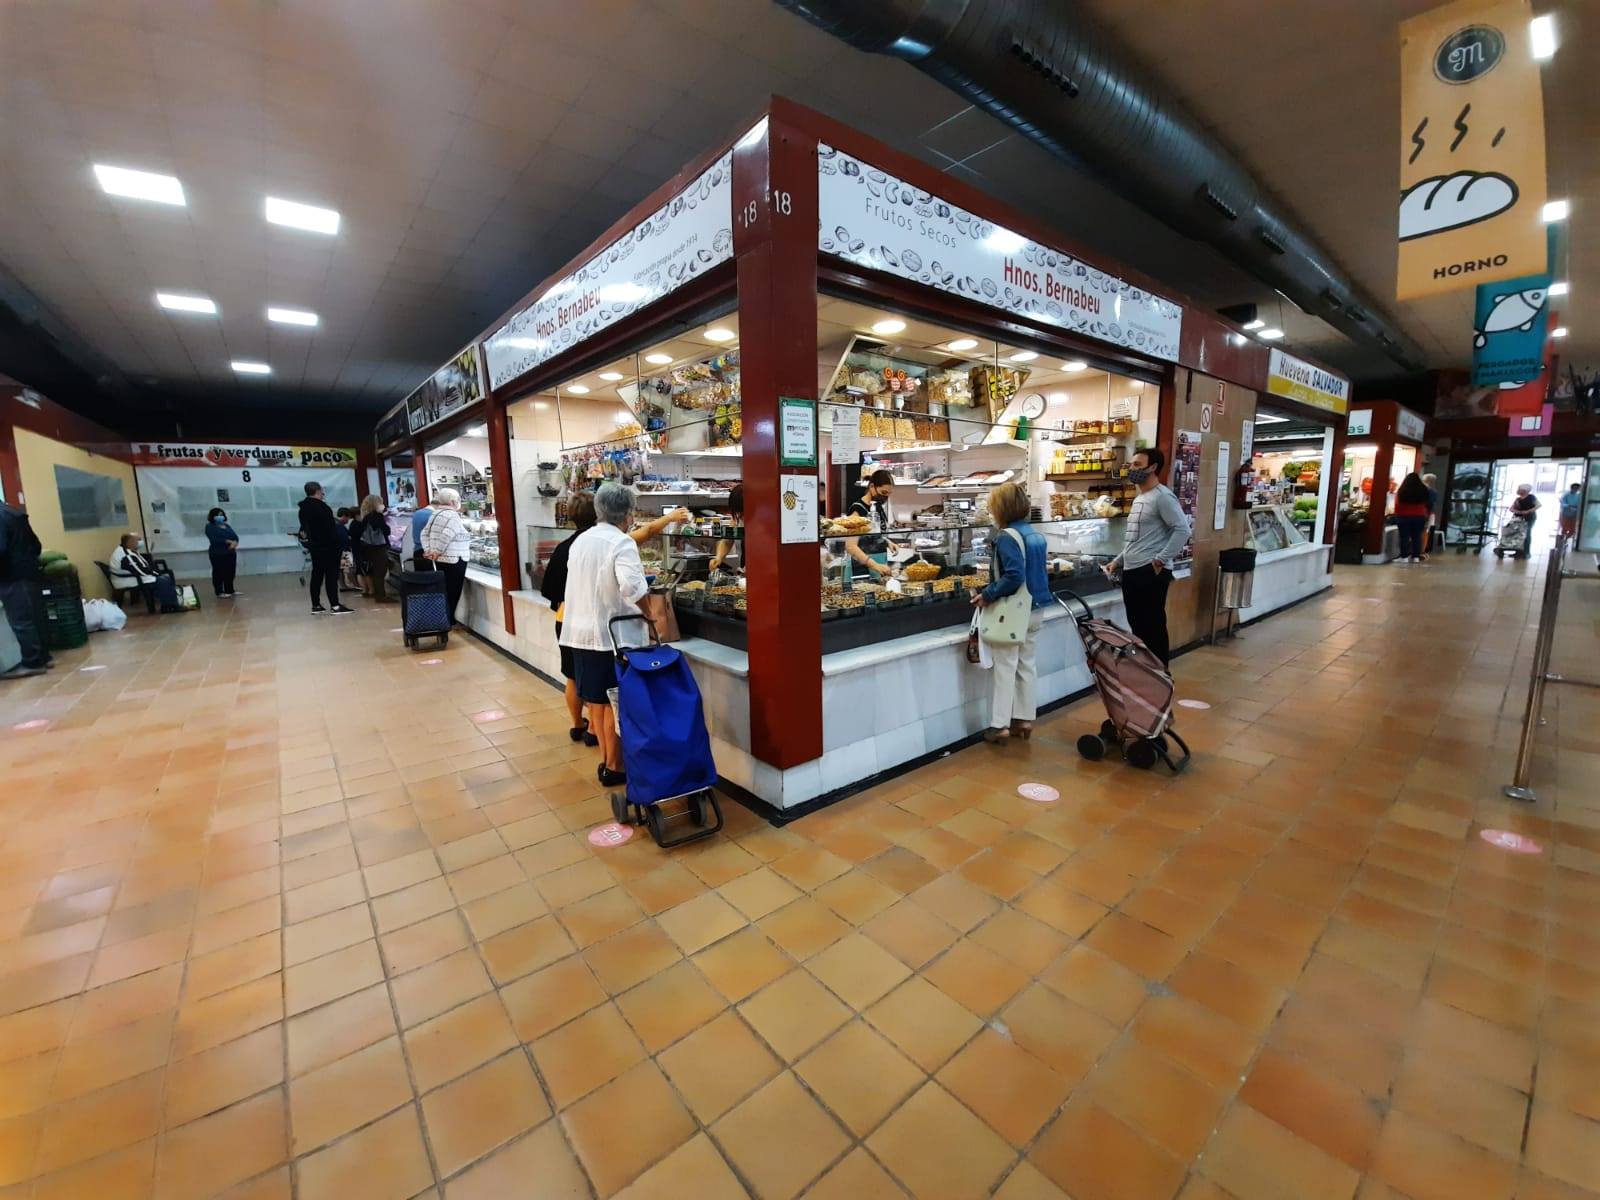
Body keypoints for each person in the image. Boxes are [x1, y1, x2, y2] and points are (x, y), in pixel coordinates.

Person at [559, 482, 650, 787]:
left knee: (597, 701)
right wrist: (650, 613)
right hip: (610, 636)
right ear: (627, 513)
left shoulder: (581, 541)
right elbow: (633, 587)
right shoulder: (621, 542)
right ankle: (615, 766)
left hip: (580, 633)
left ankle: (605, 761)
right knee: (616, 702)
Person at [971, 483, 1052, 743]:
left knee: (1005, 667)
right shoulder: (1036, 534)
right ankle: (1024, 719)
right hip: (1036, 606)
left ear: (1001, 507)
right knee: (1027, 664)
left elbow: (1013, 575)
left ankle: (999, 725)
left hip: (1014, 611)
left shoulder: (1007, 536)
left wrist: (988, 594)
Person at [1107, 448, 1189, 667]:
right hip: (1132, 571)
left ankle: (1160, 674)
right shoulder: (1140, 498)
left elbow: (1182, 530)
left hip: (1150, 572)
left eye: (1136, 464)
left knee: (1152, 627)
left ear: (1152, 467)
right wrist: (1118, 561)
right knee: (1138, 626)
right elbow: (1137, 539)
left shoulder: (1163, 497)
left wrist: (1160, 560)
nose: (1131, 469)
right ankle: (1146, 673)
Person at [540, 493, 599, 746]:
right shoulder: (598, 544)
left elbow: (548, 590)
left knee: (573, 676)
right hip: (591, 620)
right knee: (597, 678)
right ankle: (595, 730)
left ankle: (577, 725)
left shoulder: (563, 547)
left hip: (564, 620)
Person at [0, 500, 51, 678]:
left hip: (11, 576)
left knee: (21, 621)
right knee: (35, 617)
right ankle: (44, 657)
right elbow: (36, 545)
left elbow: (1, 550)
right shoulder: (14, 512)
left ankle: (33, 662)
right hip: (29, 572)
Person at [298, 483, 353, 614]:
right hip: (328, 547)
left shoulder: (303, 508)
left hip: (314, 547)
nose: (323, 493)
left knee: (316, 575)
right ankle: (335, 605)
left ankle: (316, 605)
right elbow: (330, 529)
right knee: (331, 576)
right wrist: (337, 543)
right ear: (318, 491)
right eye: (322, 491)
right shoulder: (323, 508)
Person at [419, 487, 471, 625]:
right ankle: (448, 620)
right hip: (455, 558)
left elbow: (424, 533)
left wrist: (430, 550)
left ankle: (444, 618)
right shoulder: (453, 515)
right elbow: (448, 534)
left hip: (441, 559)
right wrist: (437, 551)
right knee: (453, 591)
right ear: (453, 501)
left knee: (445, 590)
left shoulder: (435, 514)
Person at [844, 469, 897, 581]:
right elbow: (851, 546)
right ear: (872, 487)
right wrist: (874, 565)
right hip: (860, 568)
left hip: (879, 565)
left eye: (888, 494)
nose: (885, 497)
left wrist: (887, 542)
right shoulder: (857, 510)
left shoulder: (877, 507)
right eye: (883, 493)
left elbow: (874, 533)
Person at [109, 532, 182, 611]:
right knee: (162, 581)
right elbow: (141, 571)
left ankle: (168, 604)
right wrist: (156, 574)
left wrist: (155, 573)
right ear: (130, 542)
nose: (140, 542)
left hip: (134, 576)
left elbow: (142, 566)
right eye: (138, 540)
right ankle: (170, 607)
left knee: (165, 579)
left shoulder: (129, 550)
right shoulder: (126, 555)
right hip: (128, 580)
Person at [353, 495, 394, 601]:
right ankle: (381, 596)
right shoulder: (376, 516)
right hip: (378, 546)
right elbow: (386, 530)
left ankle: (378, 594)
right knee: (380, 571)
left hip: (368, 547)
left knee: (376, 571)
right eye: (380, 502)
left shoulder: (366, 517)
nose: (382, 505)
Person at [1393, 473, 1432, 563]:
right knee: (1417, 536)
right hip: (1419, 516)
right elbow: (1427, 503)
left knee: (1404, 537)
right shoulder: (1423, 490)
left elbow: (1397, 504)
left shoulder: (1402, 490)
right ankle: (1416, 557)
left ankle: (1404, 557)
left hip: (1404, 516)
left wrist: (1397, 514)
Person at [204, 507, 240, 597]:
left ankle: (230, 590)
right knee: (219, 572)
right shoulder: (210, 527)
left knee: (230, 572)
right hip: (217, 553)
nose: (220, 516)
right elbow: (214, 539)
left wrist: (235, 542)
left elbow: (235, 536)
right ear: (213, 516)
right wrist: (228, 541)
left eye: (221, 515)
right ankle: (219, 591)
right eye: (217, 515)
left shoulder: (227, 526)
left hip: (230, 553)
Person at [709, 485, 743, 572]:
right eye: (737, 512)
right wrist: (718, 558)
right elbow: (727, 541)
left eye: (742, 512)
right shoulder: (736, 518)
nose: (740, 516)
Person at [1510, 483, 1539, 559]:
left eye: (1520, 489)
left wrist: (1528, 511)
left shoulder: (1531, 497)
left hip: (1529, 518)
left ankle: (1526, 553)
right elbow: (1511, 508)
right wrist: (1518, 512)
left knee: (1526, 534)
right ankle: (1518, 552)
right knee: (1518, 535)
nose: (1518, 491)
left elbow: (1538, 505)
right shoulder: (1518, 499)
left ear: (1525, 490)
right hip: (1518, 518)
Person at [410, 500, 436, 571]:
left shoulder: (417, 513)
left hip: (416, 550)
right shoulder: (433, 515)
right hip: (428, 552)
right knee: (429, 578)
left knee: (419, 577)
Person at [1420, 472, 1441, 558]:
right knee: (1425, 532)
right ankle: (1422, 551)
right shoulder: (1433, 491)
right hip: (1428, 514)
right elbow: (1431, 504)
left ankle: (1420, 550)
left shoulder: (1420, 490)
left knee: (1422, 532)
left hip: (1423, 513)